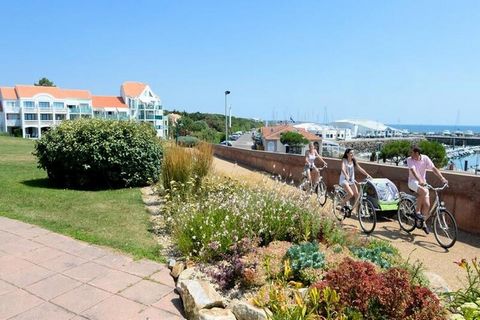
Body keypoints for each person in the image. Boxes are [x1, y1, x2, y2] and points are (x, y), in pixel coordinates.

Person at [406, 145, 448, 234]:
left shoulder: (425, 158)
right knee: (423, 191)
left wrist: (442, 178)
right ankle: (417, 212)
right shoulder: (409, 160)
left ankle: (422, 223)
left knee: (427, 205)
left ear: (417, 153)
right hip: (413, 182)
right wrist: (420, 180)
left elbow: (433, 168)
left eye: (411, 152)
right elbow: (413, 171)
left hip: (423, 183)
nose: (410, 154)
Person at [339, 148, 372, 213]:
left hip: (351, 180)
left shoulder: (353, 161)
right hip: (344, 180)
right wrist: (346, 175)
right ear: (347, 154)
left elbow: (360, 168)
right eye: (351, 153)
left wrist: (367, 175)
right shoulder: (344, 160)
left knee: (357, 195)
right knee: (351, 194)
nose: (352, 154)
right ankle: (341, 204)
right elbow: (343, 168)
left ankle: (354, 209)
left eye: (353, 153)